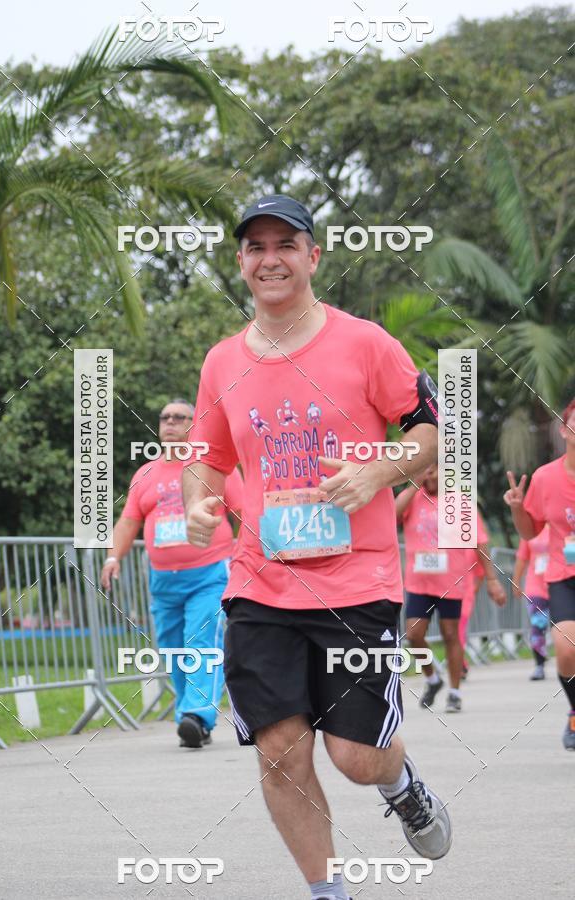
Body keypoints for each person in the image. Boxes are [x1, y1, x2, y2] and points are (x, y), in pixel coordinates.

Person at [183, 194, 452, 900]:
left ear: (312, 256)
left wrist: (381, 471)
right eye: (255, 247)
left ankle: (401, 785)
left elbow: (432, 428)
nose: (270, 259)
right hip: (259, 584)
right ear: (241, 262)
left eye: (285, 245)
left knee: (355, 757)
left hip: (357, 586)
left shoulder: (364, 343)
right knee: (279, 752)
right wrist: (197, 502)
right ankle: (328, 893)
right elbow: (203, 459)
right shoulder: (222, 362)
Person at [101, 399, 244, 748]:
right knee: (173, 649)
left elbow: (243, 511)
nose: (170, 423)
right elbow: (129, 520)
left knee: (201, 641)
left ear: (195, 426)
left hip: (209, 573)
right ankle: (189, 717)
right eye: (164, 418)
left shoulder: (216, 468)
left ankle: (198, 715)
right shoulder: (145, 474)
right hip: (163, 578)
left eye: (179, 418)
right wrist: (111, 558)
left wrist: (244, 554)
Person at [396, 465, 507, 713]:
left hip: (450, 581)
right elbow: (393, 515)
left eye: (435, 470)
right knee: (413, 634)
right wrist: (412, 482)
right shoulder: (413, 498)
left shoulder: (459, 501)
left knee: (450, 635)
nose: (430, 475)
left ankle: (455, 693)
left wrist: (491, 579)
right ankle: (433, 680)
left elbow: (479, 542)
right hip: (419, 581)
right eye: (426, 470)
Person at [504, 397, 575, 750]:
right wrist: (518, 508)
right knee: (565, 648)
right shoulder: (546, 478)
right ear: (564, 430)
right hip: (564, 575)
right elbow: (530, 532)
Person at [512, 525, 551, 680]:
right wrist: (516, 582)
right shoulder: (529, 526)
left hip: (562, 583)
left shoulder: (563, 522)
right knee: (538, 625)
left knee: (565, 626)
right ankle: (539, 665)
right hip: (536, 585)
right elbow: (522, 557)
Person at [458, 557, 485, 679]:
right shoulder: (443, 544)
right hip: (447, 595)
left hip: (465, 596)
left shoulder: (470, 546)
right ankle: (462, 662)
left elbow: (480, 573)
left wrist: (473, 591)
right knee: (450, 632)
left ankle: (459, 664)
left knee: (459, 630)